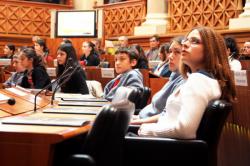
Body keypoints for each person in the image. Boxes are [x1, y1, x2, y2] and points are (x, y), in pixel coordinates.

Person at [136, 27, 236, 139]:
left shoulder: (199, 81)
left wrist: (144, 129)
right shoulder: (200, 79)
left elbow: (184, 130)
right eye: (186, 40)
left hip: (164, 149)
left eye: (195, 41)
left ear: (211, 50)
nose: (185, 44)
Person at [135, 36, 185, 120]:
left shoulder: (183, 81)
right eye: (170, 52)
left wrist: (136, 121)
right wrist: (136, 117)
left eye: (176, 52)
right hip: (142, 117)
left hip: (148, 126)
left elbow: (166, 116)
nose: (170, 56)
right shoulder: (174, 76)